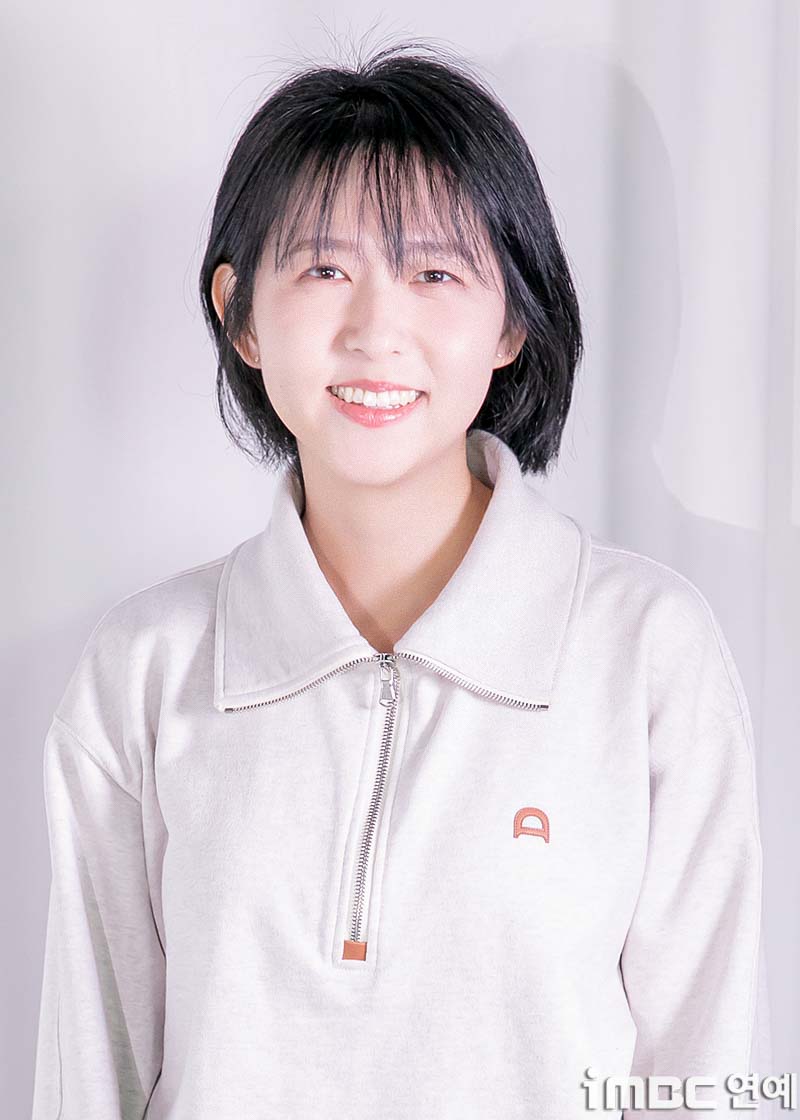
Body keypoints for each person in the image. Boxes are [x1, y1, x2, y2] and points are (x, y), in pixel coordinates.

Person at [31, 38, 765, 1120]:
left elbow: (710, 1076)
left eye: (434, 274)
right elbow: (87, 1082)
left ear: (512, 320)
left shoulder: (648, 652)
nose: (377, 331)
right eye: (324, 269)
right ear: (239, 313)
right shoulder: (143, 672)